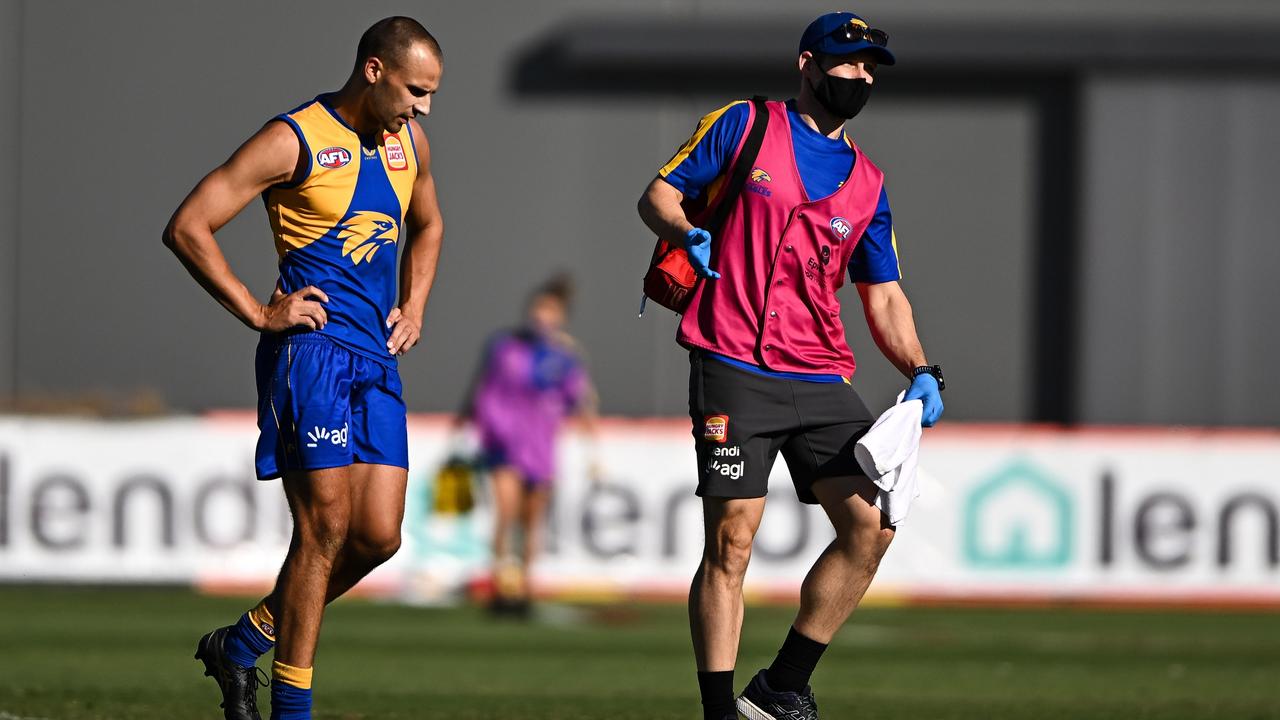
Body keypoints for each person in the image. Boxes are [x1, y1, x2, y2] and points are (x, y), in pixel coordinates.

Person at [636, 11, 945, 720]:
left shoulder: (868, 181)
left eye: (871, 67)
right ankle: (719, 711)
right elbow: (657, 193)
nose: (861, 76)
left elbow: (884, 294)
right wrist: (688, 231)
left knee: (874, 526)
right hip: (731, 360)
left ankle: (780, 687)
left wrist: (923, 368)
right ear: (807, 63)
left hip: (819, 374)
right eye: (849, 62)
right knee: (733, 540)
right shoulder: (743, 124)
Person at [162, 16, 444, 720]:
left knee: (378, 538)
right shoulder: (294, 138)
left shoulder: (411, 142)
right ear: (374, 70)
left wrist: (414, 302)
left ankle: (242, 642)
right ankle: (294, 708)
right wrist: (260, 313)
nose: (425, 108)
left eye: (432, 94)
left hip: (374, 360)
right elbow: (189, 225)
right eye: (416, 90)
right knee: (322, 531)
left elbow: (430, 224)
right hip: (311, 357)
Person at [455, 274, 599, 617]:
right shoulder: (504, 346)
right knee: (505, 513)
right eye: (538, 309)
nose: (541, 317)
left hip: (540, 447)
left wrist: (593, 446)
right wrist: (469, 426)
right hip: (503, 443)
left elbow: (581, 399)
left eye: (550, 311)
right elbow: (483, 389)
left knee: (532, 521)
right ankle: (499, 588)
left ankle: (525, 590)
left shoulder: (563, 358)